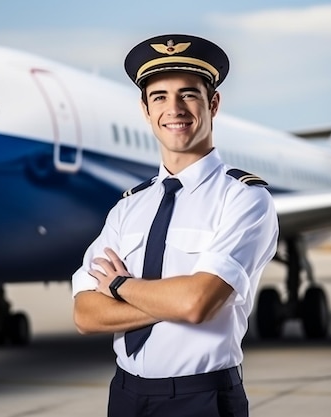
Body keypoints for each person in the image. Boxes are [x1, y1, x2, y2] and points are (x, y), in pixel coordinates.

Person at [71, 34, 279, 417]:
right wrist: (174, 301)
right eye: (160, 97)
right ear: (145, 110)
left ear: (213, 104)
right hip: (125, 393)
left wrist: (120, 287)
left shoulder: (244, 198)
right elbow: (85, 313)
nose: (174, 109)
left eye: (188, 94)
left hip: (202, 397)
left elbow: (197, 303)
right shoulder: (128, 207)